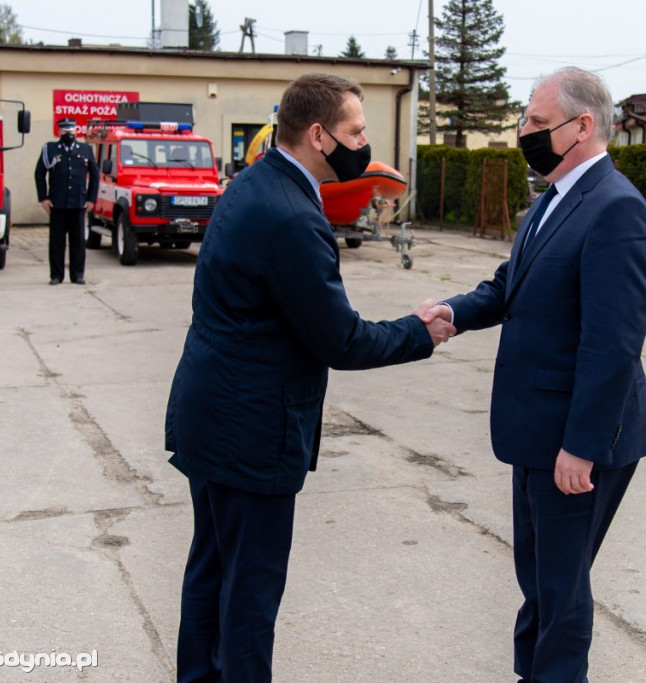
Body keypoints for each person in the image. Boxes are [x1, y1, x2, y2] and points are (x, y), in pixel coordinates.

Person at [164, 72, 455, 683]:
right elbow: (340, 340)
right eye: (357, 131)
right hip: (249, 432)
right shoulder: (293, 216)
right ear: (319, 135)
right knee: (249, 593)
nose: (364, 144)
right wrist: (417, 332)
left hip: (212, 415)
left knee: (211, 572)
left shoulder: (255, 182)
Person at [420, 67, 646, 683]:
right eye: (526, 118)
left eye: (537, 121)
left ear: (583, 126)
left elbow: (613, 343)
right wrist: (451, 313)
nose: (524, 130)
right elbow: (510, 285)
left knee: (561, 586)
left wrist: (582, 445)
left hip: (575, 441)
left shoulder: (615, 208)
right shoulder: (551, 200)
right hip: (536, 431)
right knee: (541, 579)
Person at [34, 118, 98, 285]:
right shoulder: (50, 149)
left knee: (78, 242)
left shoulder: (85, 149)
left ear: (75, 131)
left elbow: (95, 176)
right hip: (57, 203)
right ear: (59, 132)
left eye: (71, 130)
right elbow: (39, 174)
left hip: (78, 203)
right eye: (64, 130)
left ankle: (78, 275)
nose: (68, 133)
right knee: (57, 242)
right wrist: (43, 198)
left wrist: (91, 199)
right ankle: (56, 275)